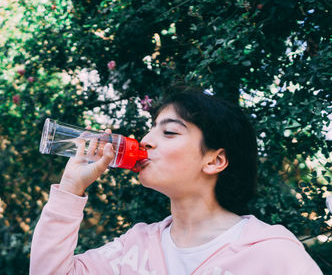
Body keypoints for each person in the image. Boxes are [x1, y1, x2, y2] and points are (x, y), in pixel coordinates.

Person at [30, 88, 323, 275]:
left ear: (214, 160)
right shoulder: (136, 248)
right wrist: (70, 188)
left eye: (169, 132)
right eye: (152, 129)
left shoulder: (270, 252)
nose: (145, 140)